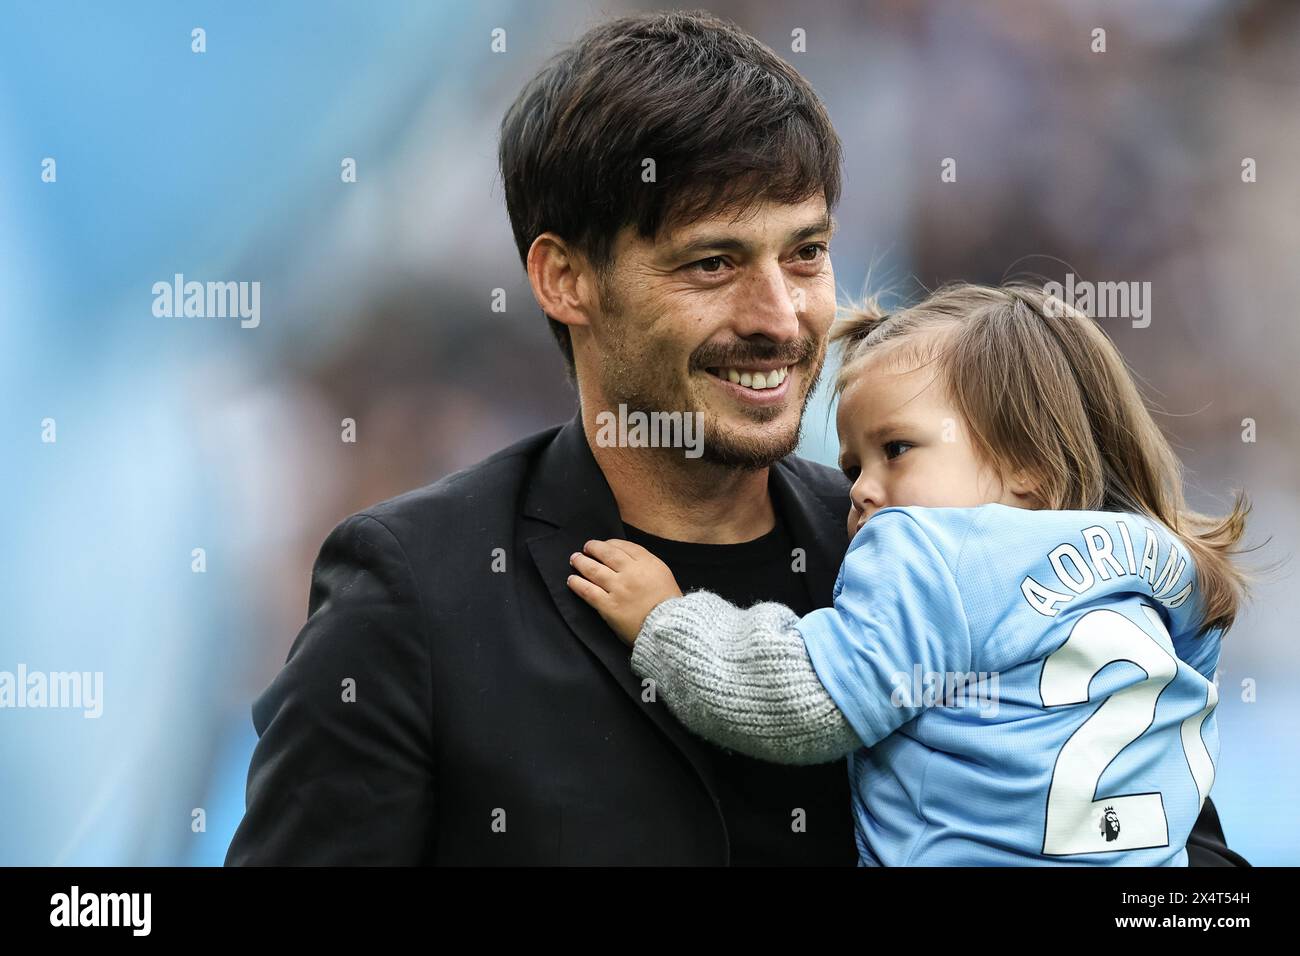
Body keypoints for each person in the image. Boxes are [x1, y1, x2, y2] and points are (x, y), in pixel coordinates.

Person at [225, 12, 1245, 865]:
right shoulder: (416, 592)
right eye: (712, 263)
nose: (779, 314)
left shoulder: (932, 544)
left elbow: (1179, 868)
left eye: (804, 254)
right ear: (563, 278)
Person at [567, 283, 1251, 865]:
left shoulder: (928, 551)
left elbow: (804, 699)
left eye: (896, 450)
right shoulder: (1163, 566)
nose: (862, 491)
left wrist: (667, 617)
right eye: (852, 467)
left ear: (1028, 462)